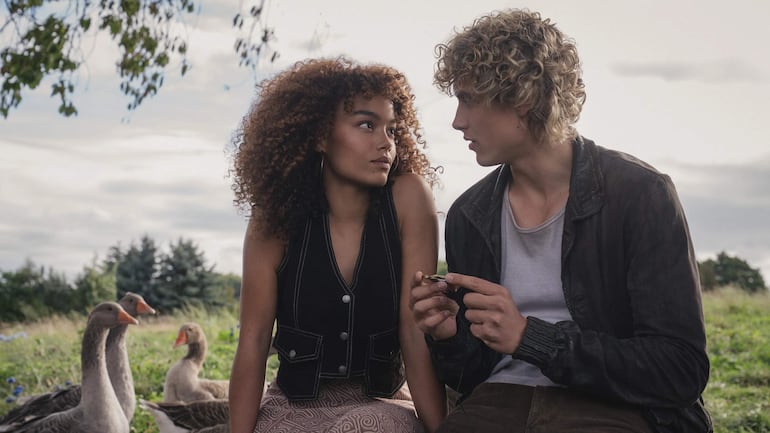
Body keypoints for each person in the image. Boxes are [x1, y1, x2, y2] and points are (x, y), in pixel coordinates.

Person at [409, 9, 712, 433]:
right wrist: (448, 336)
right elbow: (472, 376)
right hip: (498, 402)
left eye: (469, 99)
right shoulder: (469, 215)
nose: (458, 121)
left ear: (523, 97)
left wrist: (531, 338)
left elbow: (680, 368)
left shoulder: (640, 194)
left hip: (614, 407)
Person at [228, 57, 446, 433]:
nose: (385, 143)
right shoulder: (275, 217)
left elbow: (415, 333)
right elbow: (254, 340)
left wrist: (440, 429)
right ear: (319, 136)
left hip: (381, 408)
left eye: (392, 130)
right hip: (292, 407)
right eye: (366, 125)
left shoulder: (410, 198)